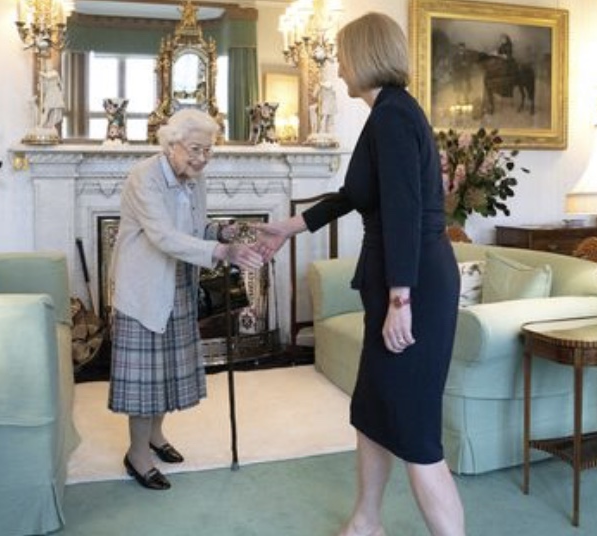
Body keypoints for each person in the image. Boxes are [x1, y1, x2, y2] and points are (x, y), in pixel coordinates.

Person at [255, 12, 465, 536]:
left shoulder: (393, 116)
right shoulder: (386, 113)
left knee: (416, 430)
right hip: (401, 280)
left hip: (415, 285)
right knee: (372, 410)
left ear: (365, 56)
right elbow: (353, 196)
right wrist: (288, 227)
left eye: (343, 55)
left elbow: (403, 213)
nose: (339, 66)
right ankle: (365, 522)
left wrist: (400, 300)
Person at [107, 108, 264, 491]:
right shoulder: (144, 177)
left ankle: (155, 437)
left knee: (167, 371)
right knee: (146, 379)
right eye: (195, 149)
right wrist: (222, 252)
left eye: (208, 150)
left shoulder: (195, 179)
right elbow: (162, 235)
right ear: (171, 144)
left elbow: (193, 228)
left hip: (179, 282)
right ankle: (137, 455)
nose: (202, 158)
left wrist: (223, 232)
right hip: (144, 287)